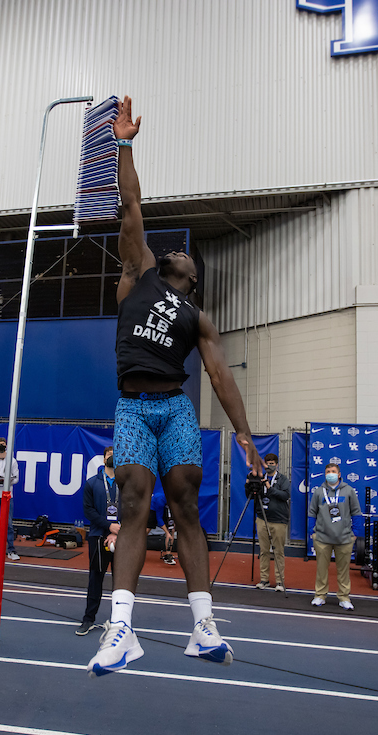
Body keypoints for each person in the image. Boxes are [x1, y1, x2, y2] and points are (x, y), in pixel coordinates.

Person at [87, 96, 260, 677]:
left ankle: (203, 628)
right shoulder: (136, 274)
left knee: (186, 507)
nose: (176, 251)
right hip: (133, 407)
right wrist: (126, 143)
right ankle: (121, 630)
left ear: (192, 278)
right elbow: (130, 203)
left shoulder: (196, 317)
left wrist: (243, 433)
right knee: (133, 504)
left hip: (177, 410)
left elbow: (218, 373)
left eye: (184, 256)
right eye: (174, 251)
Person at [308, 463, 362, 609]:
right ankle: (320, 595)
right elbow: (312, 512)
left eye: (333, 471)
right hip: (322, 538)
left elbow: (356, 512)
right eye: (327, 472)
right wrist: (312, 532)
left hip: (344, 538)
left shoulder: (349, 491)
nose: (330, 474)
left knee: (343, 569)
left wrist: (354, 533)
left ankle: (344, 597)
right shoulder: (319, 492)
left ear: (339, 474)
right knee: (321, 569)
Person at [77, 446, 118, 635]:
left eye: (114, 455)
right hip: (98, 536)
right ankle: (88, 619)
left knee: (121, 581)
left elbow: (132, 508)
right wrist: (108, 527)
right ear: (103, 460)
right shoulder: (92, 483)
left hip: (122, 538)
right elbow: (88, 511)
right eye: (108, 455)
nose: (111, 457)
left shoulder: (125, 484)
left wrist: (118, 530)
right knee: (95, 578)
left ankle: (121, 621)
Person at [255, 452, 291, 592]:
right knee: (264, 551)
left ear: (276, 464)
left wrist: (270, 488)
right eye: (267, 463)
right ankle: (264, 579)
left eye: (272, 463)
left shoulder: (282, 479)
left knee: (278, 551)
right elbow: (251, 495)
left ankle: (279, 581)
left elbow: (285, 495)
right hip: (262, 518)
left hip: (279, 520)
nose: (269, 465)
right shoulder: (260, 478)